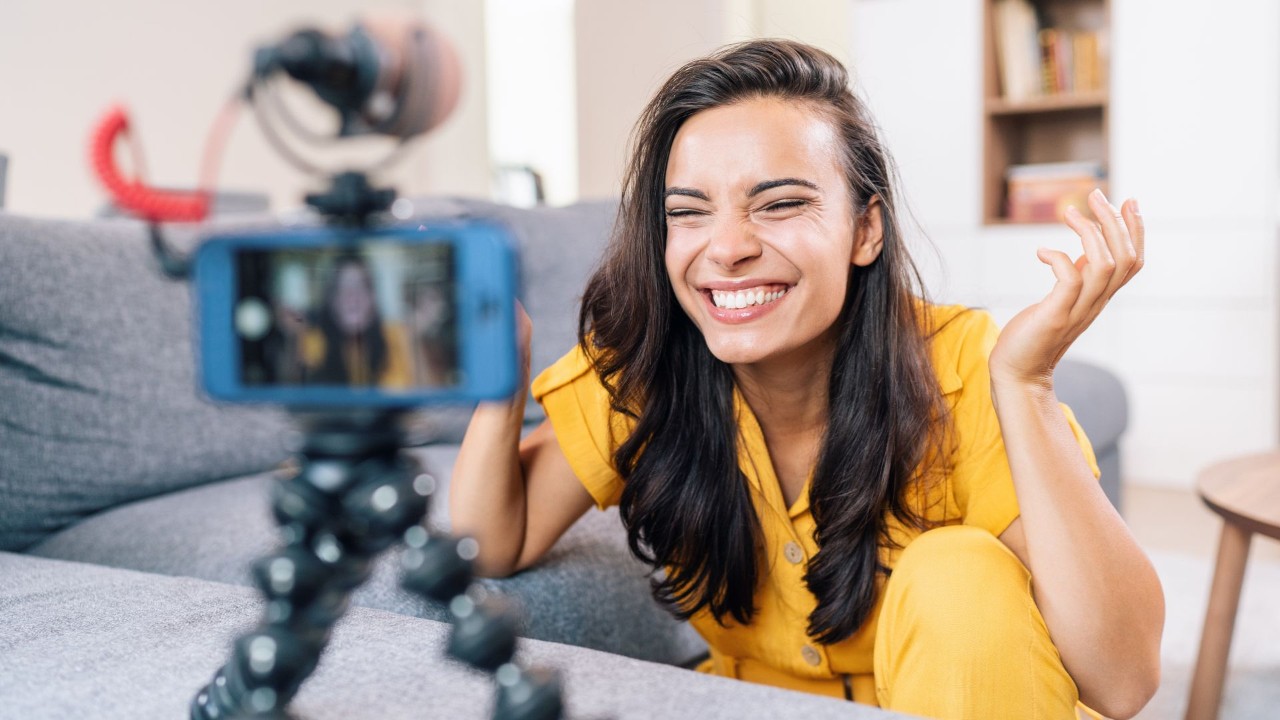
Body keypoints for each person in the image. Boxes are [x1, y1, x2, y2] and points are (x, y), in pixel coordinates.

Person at [449, 40, 1162, 719]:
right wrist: (497, 387)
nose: (726, 248)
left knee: (957, 573)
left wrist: (1026, 384)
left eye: (781, 203)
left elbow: (1123, 679)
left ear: (865, 230)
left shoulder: (959, 366)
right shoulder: (643, 369)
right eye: (689, 212)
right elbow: (486, 544)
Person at [282, 254, 412, 388]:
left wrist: (416, 337)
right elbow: (292, 393)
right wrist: (293, 337)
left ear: (373, 297)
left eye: (361, 286)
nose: (353, 297)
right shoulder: (313, 340)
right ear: (331, 299)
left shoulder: (395, 336)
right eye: (342, 287)